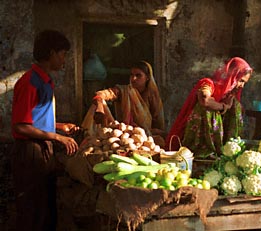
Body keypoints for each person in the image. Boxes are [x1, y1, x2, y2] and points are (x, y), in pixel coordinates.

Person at [10, 29, 79, 231]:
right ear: (51, 53)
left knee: (46, 210)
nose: (64, 59)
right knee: (32, 213)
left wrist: (59, 127)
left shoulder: (46, 81)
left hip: (42, 149)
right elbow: (20, 125)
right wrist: (57, 137)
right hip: (30, 152)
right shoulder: (30, 82)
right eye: (63, 54)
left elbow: (35, 119)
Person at [166, 57, 253, 158]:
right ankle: (204, 151)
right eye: (240, 81)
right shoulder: (209, 84)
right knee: (208, 109)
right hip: (195, 135)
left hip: (219, 136)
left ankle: (227, 150)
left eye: (244, 83)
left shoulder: (230, 94)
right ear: (232, 76)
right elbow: (205, 100)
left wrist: (228, 106)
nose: (242, 86)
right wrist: (223, 107)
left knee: (236, 106)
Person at [92, 60, 165, 144]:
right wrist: (99, 105)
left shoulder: (152, 96)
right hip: (124, 138)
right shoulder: (123, 91)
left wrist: (149, 133)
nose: (133, 79)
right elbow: (102, 94)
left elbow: (158, 124)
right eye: (132, 75)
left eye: (138, 75)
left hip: (146, 140)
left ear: (147, 77)